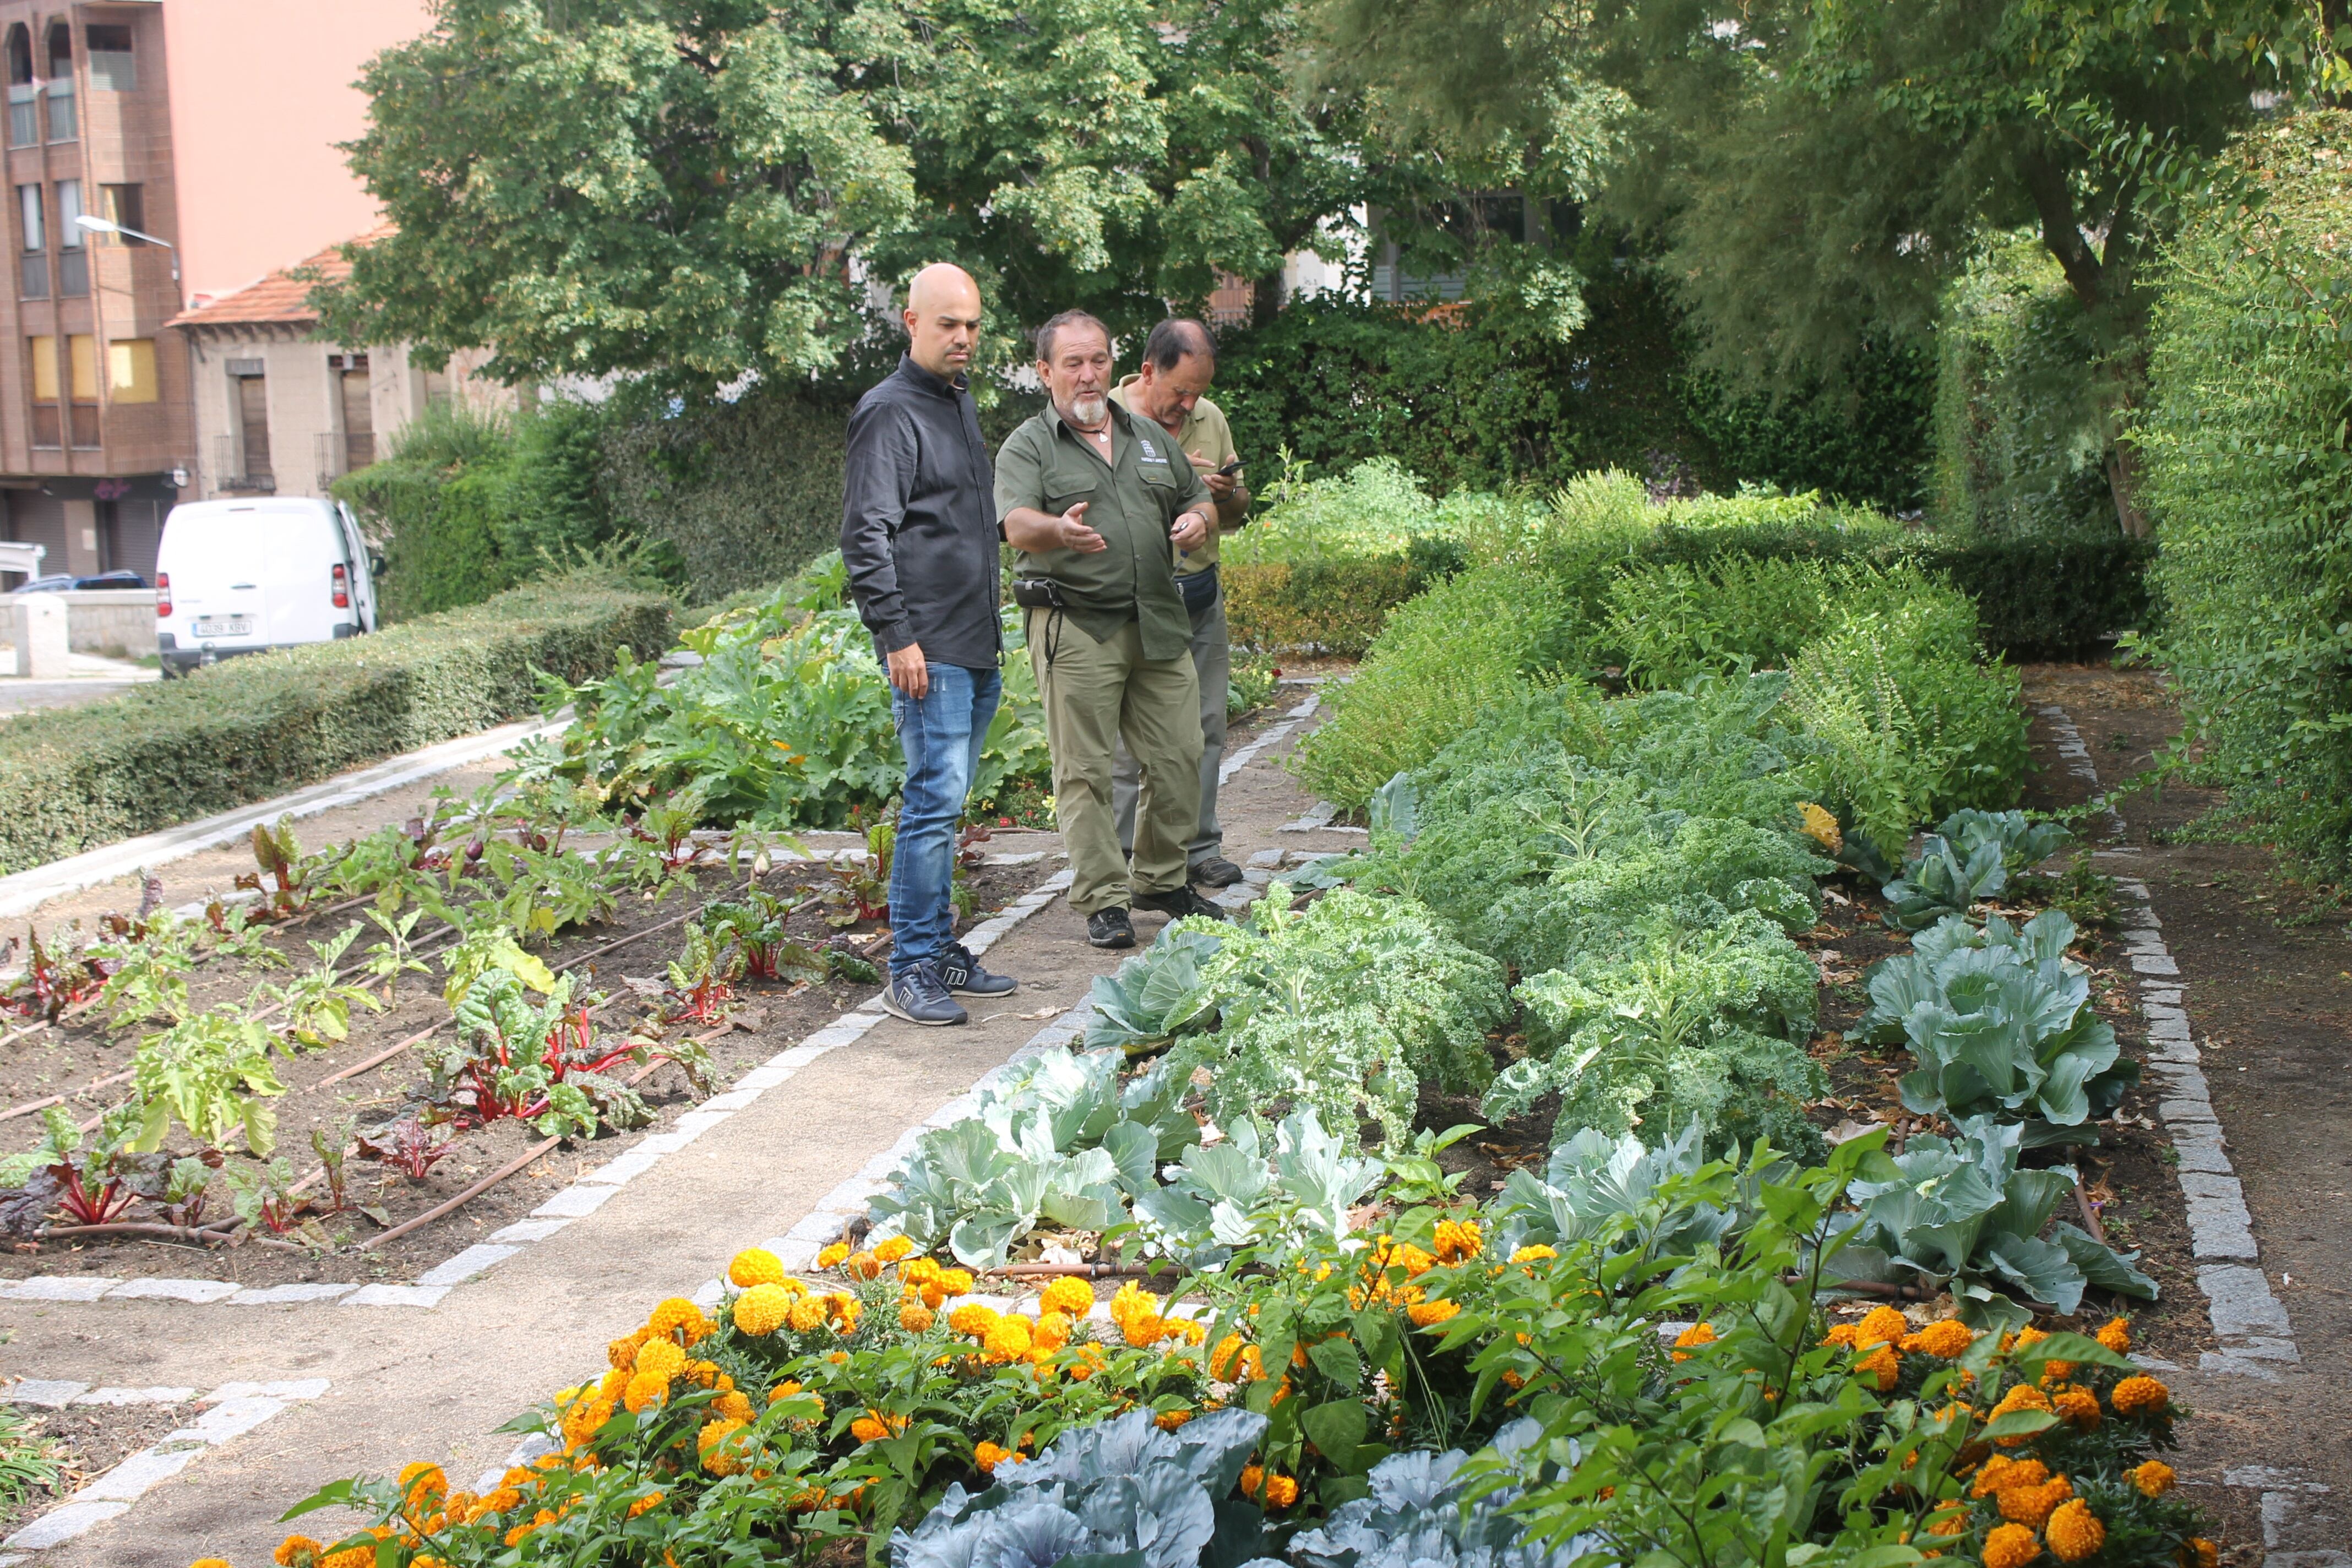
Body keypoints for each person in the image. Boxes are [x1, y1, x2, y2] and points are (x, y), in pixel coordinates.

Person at [996, 311, 1232, 949]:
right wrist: (1057, 531)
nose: (1088, 373)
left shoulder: (1149, 436)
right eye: (1072, 362)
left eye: (1098, 359)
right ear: (1045, 372)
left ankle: (1159, 879)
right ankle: (1103, 897)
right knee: (1086, 771)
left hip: (1157, 619)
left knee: (1182, 754)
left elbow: (1198, 497)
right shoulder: (1029, 445)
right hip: (1075, 625)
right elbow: (1016, 523)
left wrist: (1199, 520)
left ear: (1114, 362)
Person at [840, 263, 1020, 1027]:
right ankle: (910, 965)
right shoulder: (890, 413)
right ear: (911, 323)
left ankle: (939, 950)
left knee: (945, 808)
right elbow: (865, 534)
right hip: (929, 650)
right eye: (949, 324)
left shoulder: (957, 405)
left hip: (974, 645)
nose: (964, 338)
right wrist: (897, 636)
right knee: (929, 806)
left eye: (973, 325)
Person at [1108, 319, 1252, 888]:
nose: (1188, 404)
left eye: (1198, 392)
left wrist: (1223, 494)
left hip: (1198, 595)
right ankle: (1124, 857)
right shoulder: (1106, 418)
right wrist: (1170, 485)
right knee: (1130, 738)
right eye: (1179, 392)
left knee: (1207, 726)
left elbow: (1239, 508)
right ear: (1148, 371)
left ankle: (1199, 847)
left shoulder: (1209, 419)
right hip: (1132, 600)